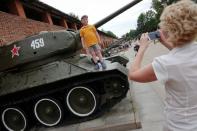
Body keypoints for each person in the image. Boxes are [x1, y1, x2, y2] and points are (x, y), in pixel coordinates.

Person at [128, 0, 197, 130]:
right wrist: (165, 42)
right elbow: (183, 55)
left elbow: (133, 75)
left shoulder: (166, 63)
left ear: (169, 28)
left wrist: (142, 48)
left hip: (178, 126)